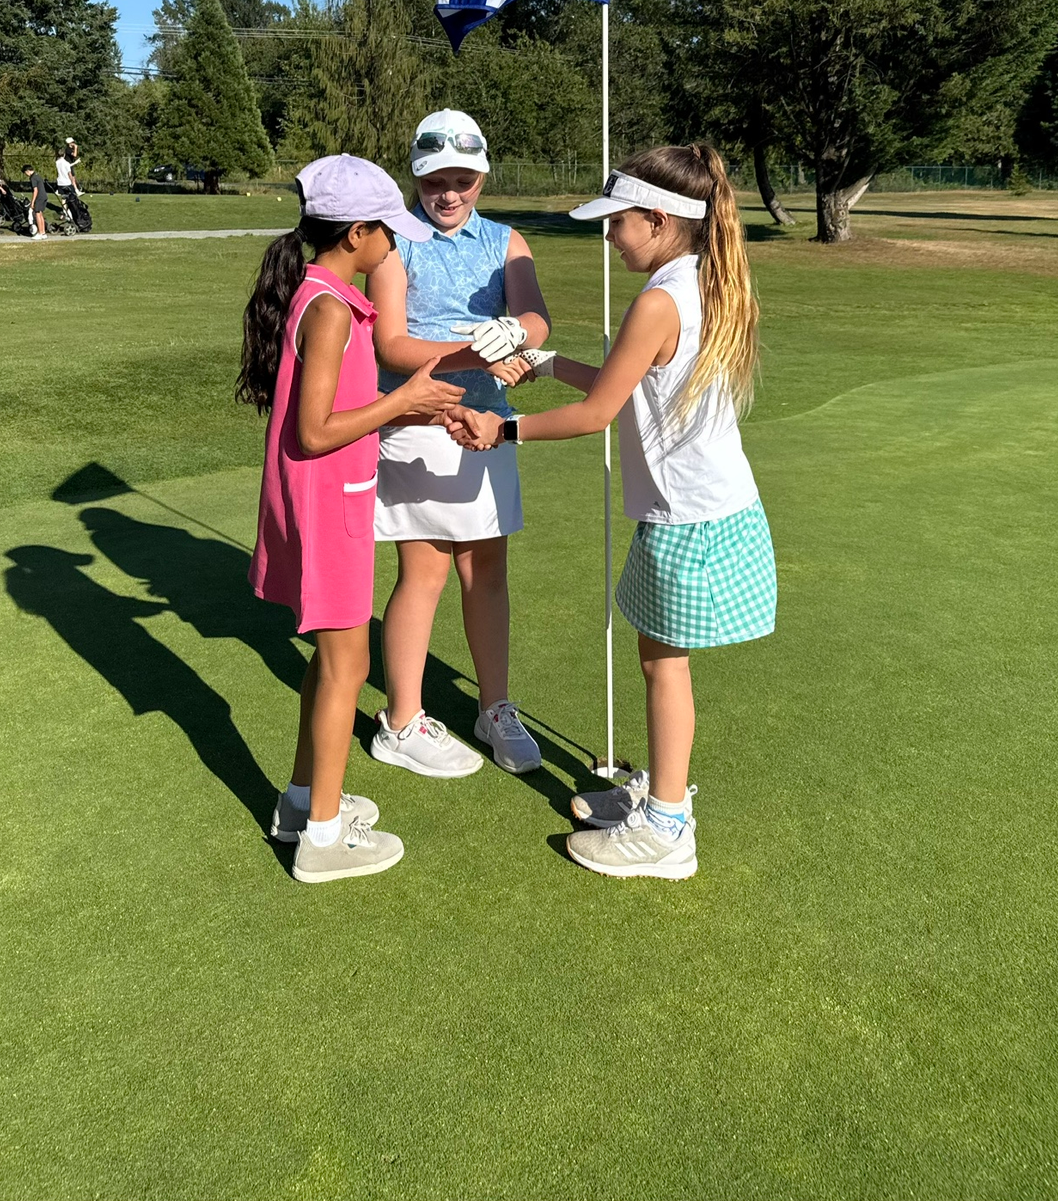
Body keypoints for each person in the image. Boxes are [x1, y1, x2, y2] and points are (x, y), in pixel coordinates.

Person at [446, 144, 775, 881]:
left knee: (663, 664)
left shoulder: (658, 299)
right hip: (711, 506)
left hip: (687, 515)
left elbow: (600, 413)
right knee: (662, 660)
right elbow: (630, 384)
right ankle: (663, 798)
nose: (607, 235)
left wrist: (504, 429)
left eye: (616, 222)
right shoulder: (699, 280)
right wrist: (546, 361)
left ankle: (665, 827)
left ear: (657, 220)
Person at [238, 153, 466, 884]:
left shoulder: (321, 292)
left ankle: (305, 802)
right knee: (348, 663)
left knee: (329, 661)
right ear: (357, 232)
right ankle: (324, 838)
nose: (394, 247)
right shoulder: (332, 306)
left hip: (327, 500)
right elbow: (314, 429)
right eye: (388, 234)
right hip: (327, 505)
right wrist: (406, 402)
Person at [366, 109, 552, 779]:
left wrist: (516, 336)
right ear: (416, 177)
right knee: (425, 573)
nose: (448, 193)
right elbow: (391, 342)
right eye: (435, 180)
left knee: (487, 571)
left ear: (481, 176)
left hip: (489, 426)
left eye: (462, 179)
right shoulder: (393, 241)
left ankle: (495, 706)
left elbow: (534, 314)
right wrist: (477, 352)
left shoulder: (505, 239)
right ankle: (402, 719)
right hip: (417, 423)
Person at [22, 165, 47, 238]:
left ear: (27, 171)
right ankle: (43, 232)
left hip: (39, 197)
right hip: (44, 196)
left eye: (25, 173)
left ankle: (40, 233)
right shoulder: (37, 175)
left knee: (37, 215)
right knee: (40, 214)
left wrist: (32, 202)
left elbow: (35, 190)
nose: (26, 175)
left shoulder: (33, 178)